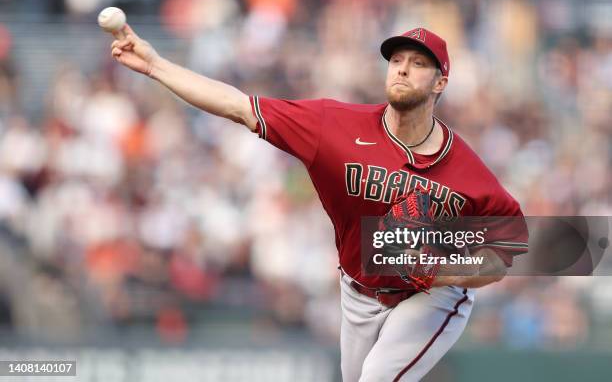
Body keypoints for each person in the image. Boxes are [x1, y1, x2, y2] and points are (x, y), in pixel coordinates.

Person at [110, 25, 528, 381]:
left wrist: (441, 271)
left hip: (435, 296)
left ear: (440, 82)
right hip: (359, 291)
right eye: (397, 58)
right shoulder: (334, 126)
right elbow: (239, 106)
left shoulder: (466, 170)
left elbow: (508, 250)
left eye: (419, 63)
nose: (402, 67)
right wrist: (155, 65)